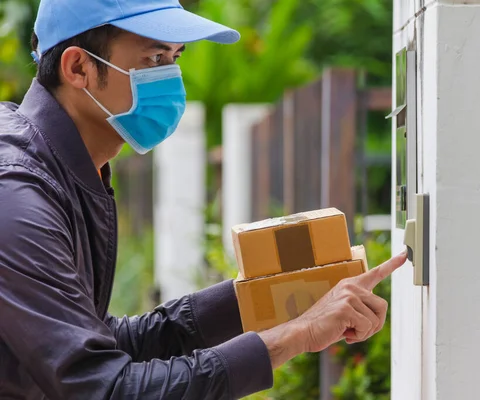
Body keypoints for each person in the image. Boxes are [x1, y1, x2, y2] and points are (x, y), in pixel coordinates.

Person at [0, 0, 407, 399]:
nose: (173, 78)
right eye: (155, 59)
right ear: (78, 68)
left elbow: (104, 340)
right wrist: (298, 335)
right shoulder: (18, 196)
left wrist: (272, 292)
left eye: (175, 57)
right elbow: (102, 387)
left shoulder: (63, 171)